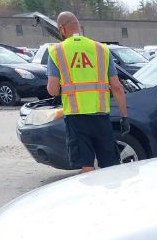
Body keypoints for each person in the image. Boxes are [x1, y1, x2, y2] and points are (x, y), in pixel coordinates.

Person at [46, 12, 130, 173]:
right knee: (110, 164)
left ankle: (92, 196)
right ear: (79, 27)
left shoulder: (56, 52)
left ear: (61, 28)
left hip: (76, 118)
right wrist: (125, 116)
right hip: (101, 117)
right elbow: (117, 86)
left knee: (86, 165)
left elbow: (52, 90)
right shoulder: (101, 49)